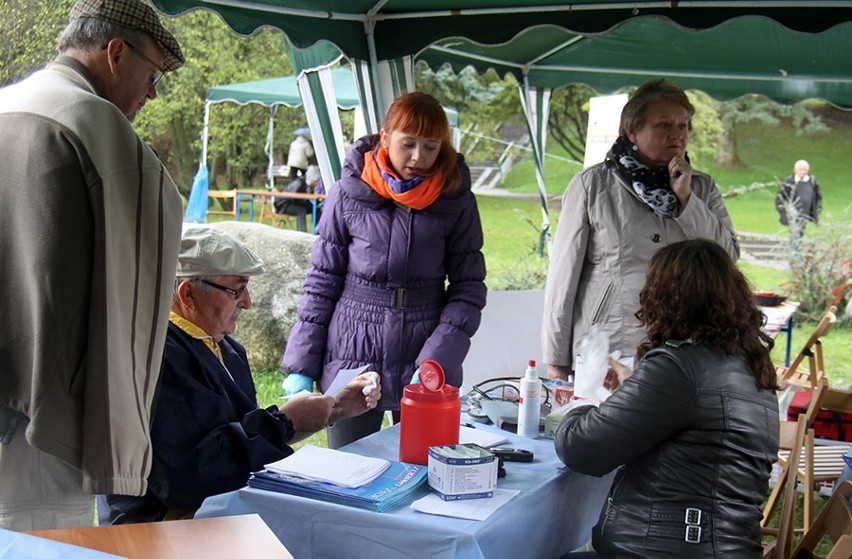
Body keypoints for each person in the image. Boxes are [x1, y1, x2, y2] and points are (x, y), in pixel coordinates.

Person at [0, 0, 185, 531]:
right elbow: (139, 271)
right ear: (115, 53)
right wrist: (121, 455)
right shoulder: (94, 123)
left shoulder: (10, 101)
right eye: (151, 75)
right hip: (45, 426)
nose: (151, 93)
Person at [99, 226, 381, 524]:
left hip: (217, 509)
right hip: (158, 526)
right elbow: (187, 476)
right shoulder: (155, 357)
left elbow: (244, 442)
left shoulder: (225, 349)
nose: (247, 302)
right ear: (188, 293)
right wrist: (285, 421)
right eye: (237, 289)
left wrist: (333, 407)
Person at [282, 91, 487, 449]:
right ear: (385, 136)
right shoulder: (348, 193)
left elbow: (468, 287)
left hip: (425, 350)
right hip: (353, 346)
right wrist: (301, 365)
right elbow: (323, 281)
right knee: (347, 470)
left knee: (424, 472)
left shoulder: (455, 198)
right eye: (408, 144)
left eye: (431, 147)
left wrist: (437, 358)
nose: (418, 158)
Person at [555, 239, 780, 558]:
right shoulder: (753, 369)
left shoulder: (679, 367)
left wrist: (583, 399)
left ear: (665, 299)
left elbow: (580, 447)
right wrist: (633, 390)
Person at [542, 79, 739, 382]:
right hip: (609, 344)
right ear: (632, 131)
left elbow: (727, 257)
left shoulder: (701, 187)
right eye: (663, 125)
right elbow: (562, 278)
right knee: (605, 427)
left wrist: (687, 200)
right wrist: (556, 357)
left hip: (683, 342)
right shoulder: (591, 186)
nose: (677, 134)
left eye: (684, 125)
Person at [775, 159, 822, 236]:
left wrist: (816, 211)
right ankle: (795, 247)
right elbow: (780, 197)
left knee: (801, 231)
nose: (803, 172)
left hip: (806, 212)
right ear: (795, 170)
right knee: (795, 233)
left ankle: (797, 246)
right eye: (801, 169)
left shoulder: (812, 181)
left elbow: (818, 197)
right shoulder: (789, 181)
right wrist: (784, 211)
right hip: (792, 213)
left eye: (805, 169)